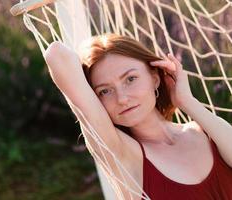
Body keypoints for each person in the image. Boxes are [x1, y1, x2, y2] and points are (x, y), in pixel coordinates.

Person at [43, 33, 232, 200]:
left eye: (130, 79)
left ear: (155, 78)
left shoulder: (205, 132)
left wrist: (186, 101)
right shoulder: (123, 155)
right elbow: (56, 54)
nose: (122, 98)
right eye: (105, 91)